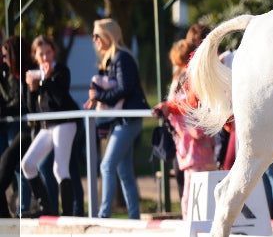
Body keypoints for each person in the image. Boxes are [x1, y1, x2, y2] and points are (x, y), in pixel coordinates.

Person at [89, 19, 148, 219]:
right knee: (125, 172)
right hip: (122, 120)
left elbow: (124, 88)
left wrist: (98, 96)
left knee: (107, 165)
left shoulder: (121, 57)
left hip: (128, 120)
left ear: (108, 35)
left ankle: (103, 215)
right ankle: (134, 218)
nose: (94, 39)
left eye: (97, 35)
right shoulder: (112, 59)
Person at [153, 39, 216, 218]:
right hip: (198, 148)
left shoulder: (189, 81)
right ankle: (195, 220)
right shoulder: (195, 79)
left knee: (191, 188)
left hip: (191, 148)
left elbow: (189, 107)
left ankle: (190, 220)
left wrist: (170, 108)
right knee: (197, 188)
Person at [19, 35, 79, 216]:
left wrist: (47, 79)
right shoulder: (36, 73)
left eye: (48, 53)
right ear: (35, 56)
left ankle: (67, 214)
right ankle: (45, 207)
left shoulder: (61, 71)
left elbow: (61, 99)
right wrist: (32, 88)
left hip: (65, 123)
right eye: (41, 54)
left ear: (54, 52)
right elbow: (32, 110)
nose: (45, 58)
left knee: (59, 169)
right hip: (47, 127)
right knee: (28, 164)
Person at [0, 36, 30, 217]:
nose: (3, 59)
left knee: (20, 167)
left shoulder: (18, 73)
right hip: (5, 124)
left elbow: (19, 101)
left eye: (5, 56)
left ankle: (23, 208)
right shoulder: (4, 71)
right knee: (4, 169)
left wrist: (4, 110)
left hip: (17, 124)